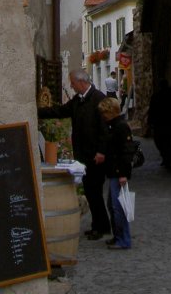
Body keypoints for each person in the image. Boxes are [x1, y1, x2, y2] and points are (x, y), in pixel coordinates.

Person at [38, 68, 110, 239]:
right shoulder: (78, 100)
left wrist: (101, 151)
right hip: (83, 154)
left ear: (82, 82)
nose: (71, 85)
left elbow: (104, 129)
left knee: (95, 192)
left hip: (95, 155)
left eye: (73, 83)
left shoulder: (98, 99)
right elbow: (61, 111)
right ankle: (98, 225)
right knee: (90, 191)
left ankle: (102, 227)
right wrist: (37, 112)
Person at [98, 97, 135, 250]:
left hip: (118, 172)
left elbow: (126, 152)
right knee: (113, 205)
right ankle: (118, 236)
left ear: (110, 111)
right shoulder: (113, 126)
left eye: (104, 113)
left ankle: (124, 239)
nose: (102, 116)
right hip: (114, 171)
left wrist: (123, 174)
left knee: (119, 206)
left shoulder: (120, 127)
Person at [147, 79, 171, 167]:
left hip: (162, 123)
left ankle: (167, 157)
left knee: (162, 141)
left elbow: (152, 109)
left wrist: (150, 121)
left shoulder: (157, 96)